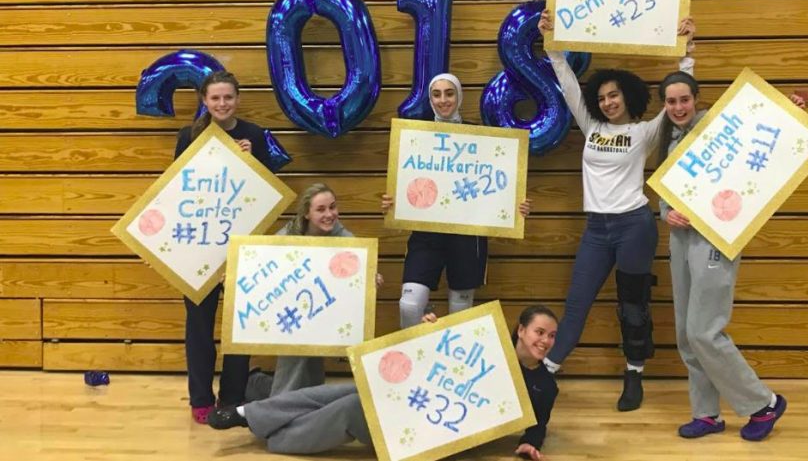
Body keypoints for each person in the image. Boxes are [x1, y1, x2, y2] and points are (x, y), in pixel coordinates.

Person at [536, 9, 694, 412]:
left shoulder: (643, 132)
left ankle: (634, 373)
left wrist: (687, 52)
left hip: (634, 226)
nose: (607, 102)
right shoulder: (592, 128)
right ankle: (545, 373)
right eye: (602, 97)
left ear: (627, 96)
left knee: (633, 305)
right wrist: (552, 42)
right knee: (577, 302)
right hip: (597, 229)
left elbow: (676, 106)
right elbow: (568, 85)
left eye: (614, 96)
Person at [208, 305, 560, 460]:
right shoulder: (486, 342)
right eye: (539, 332)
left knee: (352, 407)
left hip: (435, 436)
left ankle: (275, 436)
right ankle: (248, 413)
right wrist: (429, 330)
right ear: (521, 330)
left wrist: (529, 443)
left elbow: (537, 424)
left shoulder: (546, 385)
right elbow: (432, 355)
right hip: (410, 396)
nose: (544, 341)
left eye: (551, 336)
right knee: (351, 388)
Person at [657, 71, 802, 441]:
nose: (678, 107)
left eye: (684, 100)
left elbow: (762, 131)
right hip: (681, 240)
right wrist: (666, 213)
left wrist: (789, 113)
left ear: (696, 99)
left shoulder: (718, 128)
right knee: (687, 335)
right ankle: (706, 414)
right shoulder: (670, 140)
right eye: (671, 102)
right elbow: (666, 193)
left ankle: (763, 403)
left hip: (715, 236)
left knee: (704, 331)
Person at [381, 73, 531, 329]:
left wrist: (515, 206)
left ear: (459, 96)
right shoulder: (416, 137)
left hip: (467, 234)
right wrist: (393, 202)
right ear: (429, 99)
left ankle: (453, 367)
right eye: (436, 94)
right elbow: (407, 181)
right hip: (427, 231)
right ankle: (415, 357)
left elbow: (498, 183)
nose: (442, 100)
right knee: (409, 304)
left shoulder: (481, 136)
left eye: (449, 93)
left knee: (460, 312)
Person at [175, 70, 277, 424]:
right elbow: (176, 191)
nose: (222, 104)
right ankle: (200, 398)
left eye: (228, 97)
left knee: (238, 327)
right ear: (204, 101)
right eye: (215, 98)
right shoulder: (189, 136)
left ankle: (232, 398)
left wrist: (252, 161)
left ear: (238, 99)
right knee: (199, 328)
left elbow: (267, 195)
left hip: (242, 248)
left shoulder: (254, 135)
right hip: (199, 248)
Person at [245, 183, 385, 402]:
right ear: (307, 214)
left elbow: (362, 263)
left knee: (311, 367)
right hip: (289, 314)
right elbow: (261, 264)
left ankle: (270, 391)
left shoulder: (342, 236)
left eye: (332, 207)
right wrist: (237, 277)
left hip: (320, 315)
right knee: (294, 359)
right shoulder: (289, 233)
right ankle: (272, 412)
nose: (329, 214)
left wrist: (370, 277)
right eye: (321, 209)